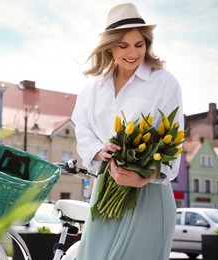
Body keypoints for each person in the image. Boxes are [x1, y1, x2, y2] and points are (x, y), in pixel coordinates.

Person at [71, 3, 184, 260]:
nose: (133, 53)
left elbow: (175, 141)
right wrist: (100, 152)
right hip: (104, 193)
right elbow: (83, 128)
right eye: (123, 45)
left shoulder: (164, 82)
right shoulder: (92, 90)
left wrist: (145, 176)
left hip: (149, 192)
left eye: (139, 44)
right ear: (110, 46)